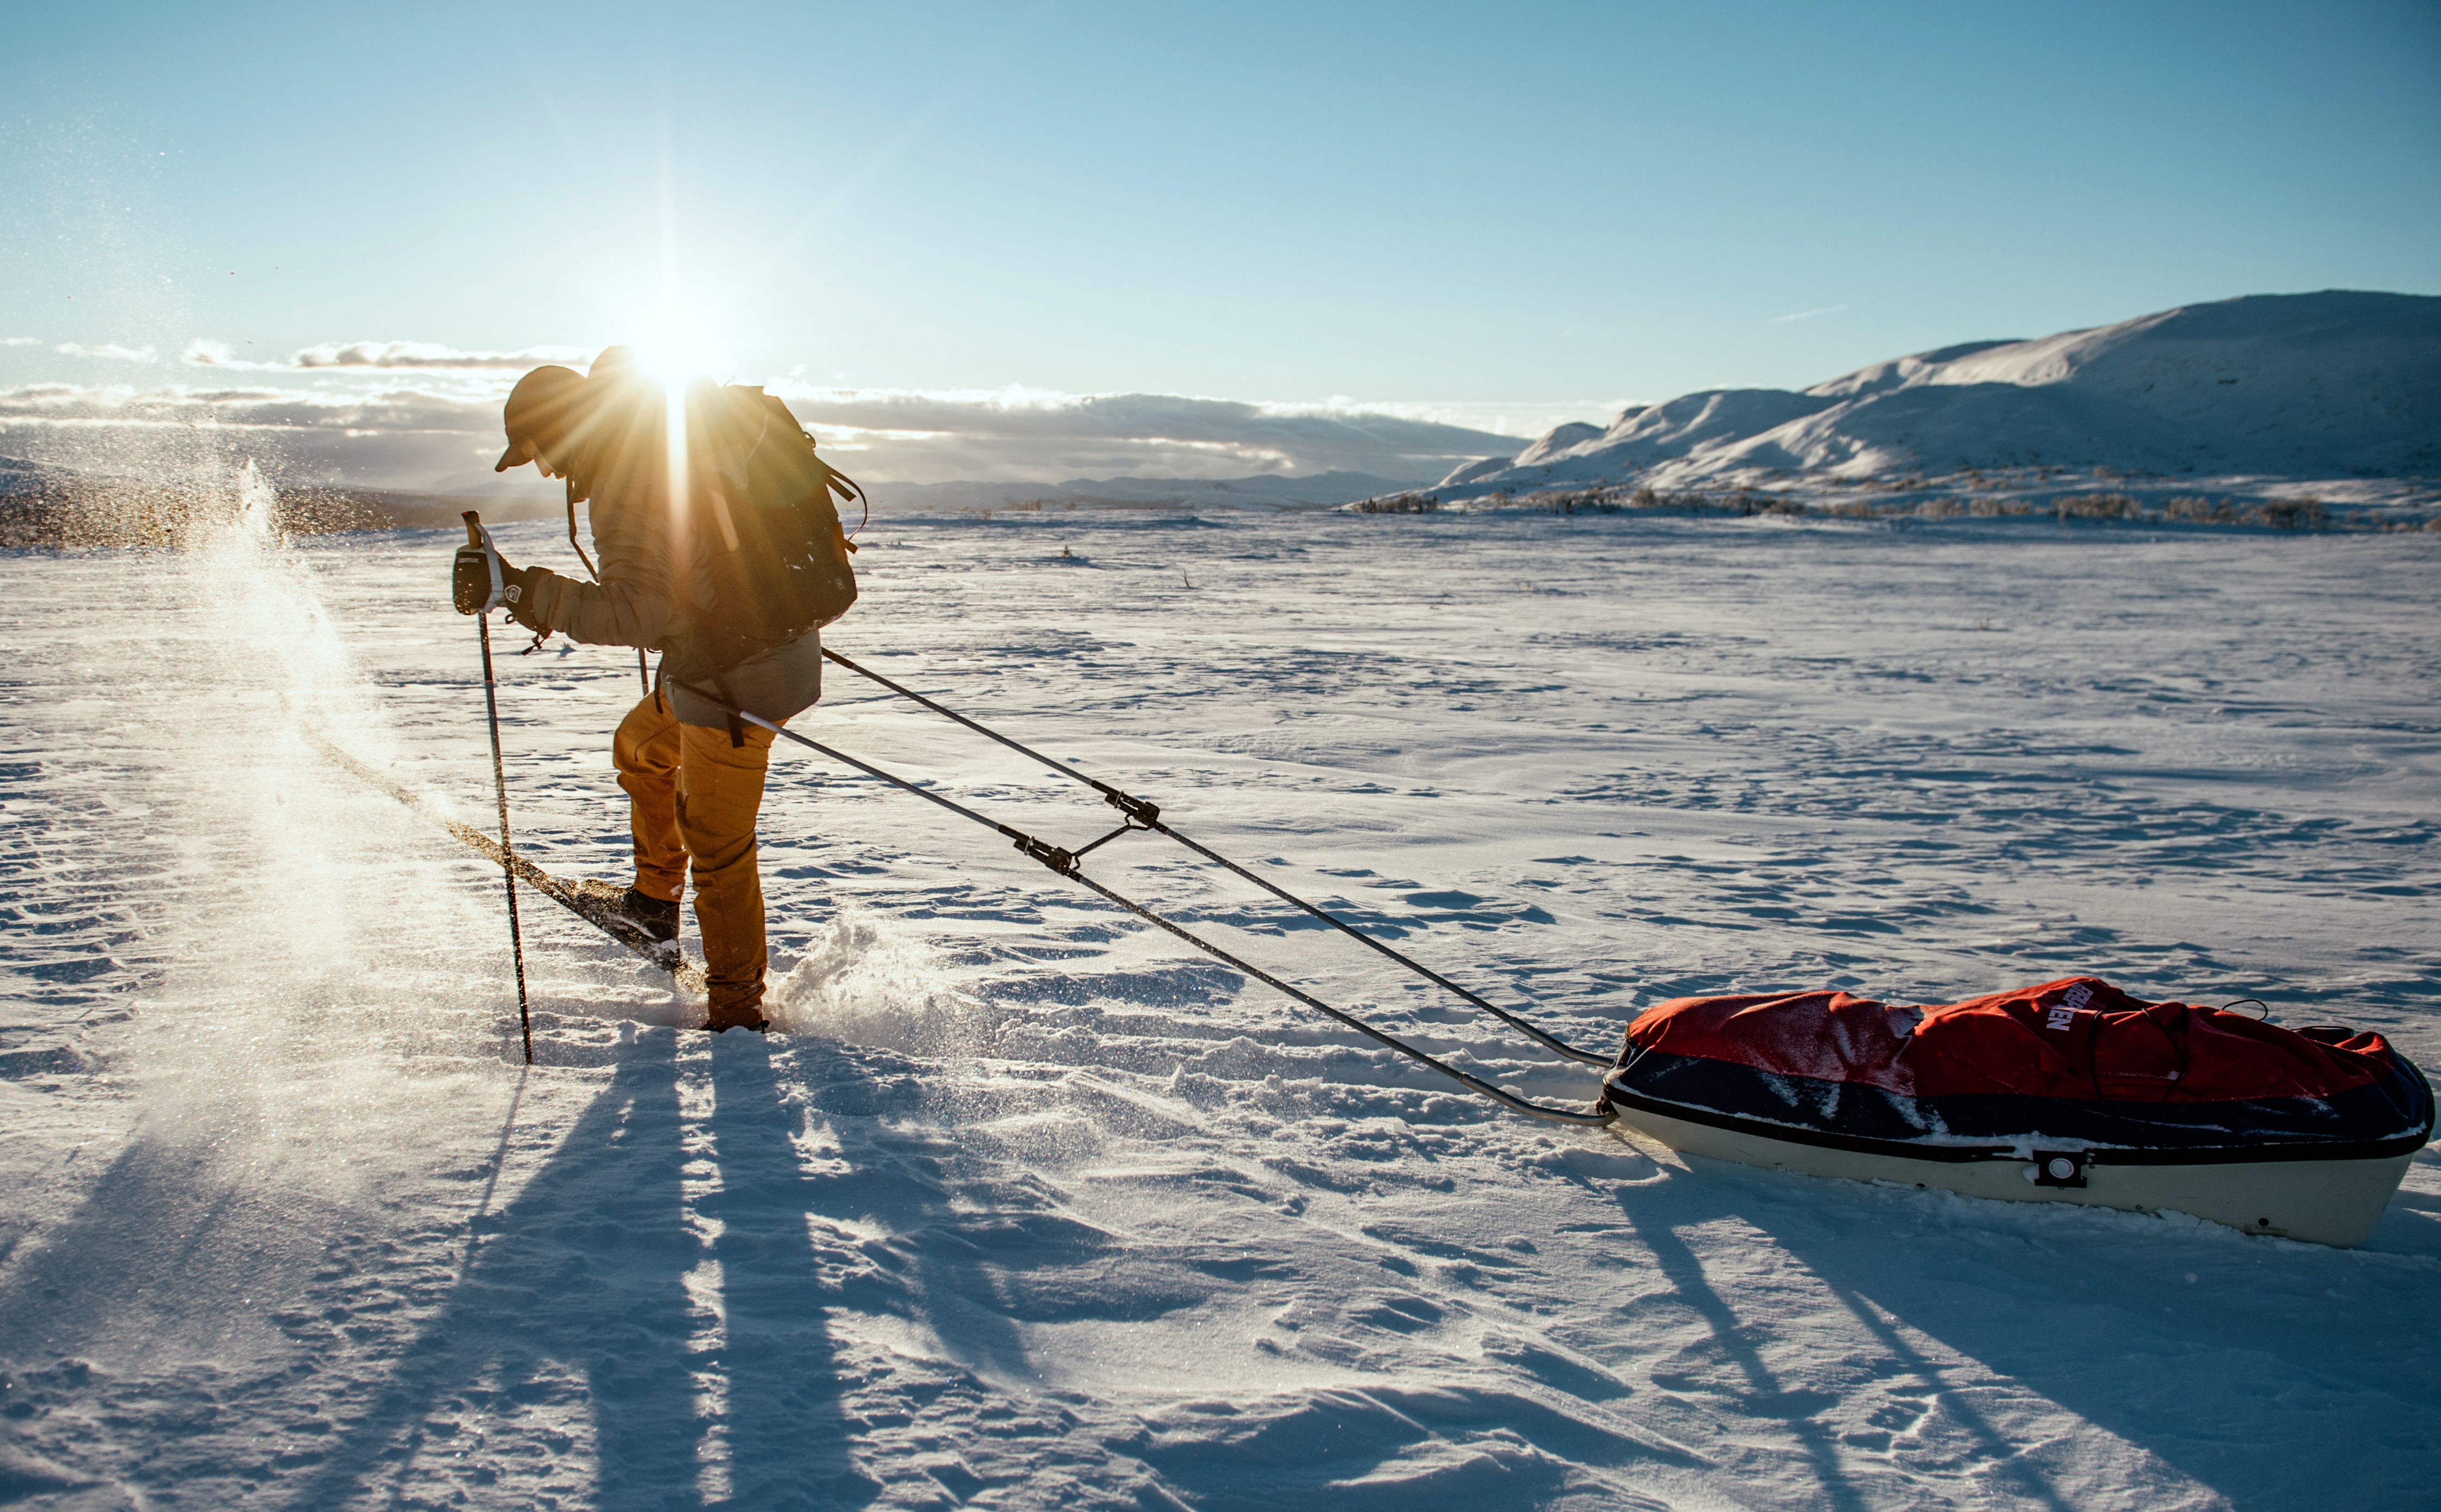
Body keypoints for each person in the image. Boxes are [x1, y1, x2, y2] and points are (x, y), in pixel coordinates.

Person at [476, 351, 826, 1032]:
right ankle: (652, 905)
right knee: (640, 745)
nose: (544, 470)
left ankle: (735, 1013)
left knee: (716, 845)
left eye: (538, 451)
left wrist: (519, 590)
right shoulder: (646, 452)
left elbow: (636, 614)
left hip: (738, 679)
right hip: (722, 661)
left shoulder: (627, 479)